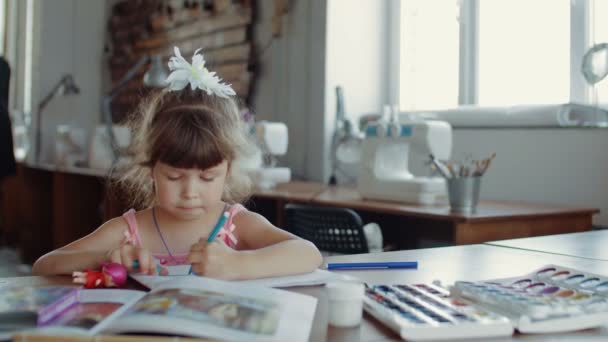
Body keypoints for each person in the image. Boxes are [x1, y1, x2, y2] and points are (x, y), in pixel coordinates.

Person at [33, 47, 322, 279]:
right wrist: (105, 255)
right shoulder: (128, 232)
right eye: (174, 177)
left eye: (207, 177)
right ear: (150, 170)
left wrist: (239, 264)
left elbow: (308, 253)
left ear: (228, 171)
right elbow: (45, 265)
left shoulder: (235, 225)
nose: (190, 192)